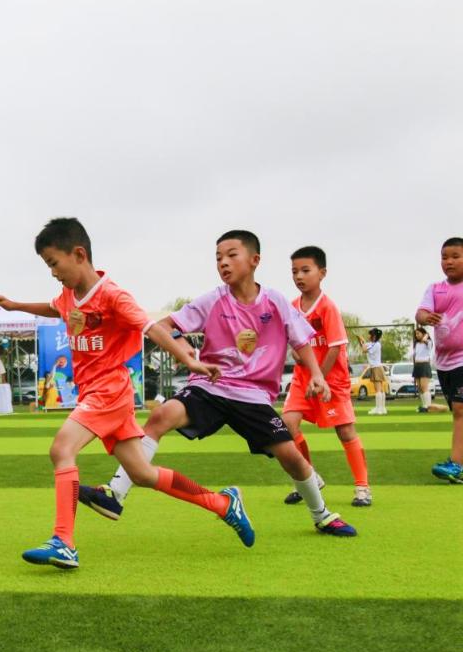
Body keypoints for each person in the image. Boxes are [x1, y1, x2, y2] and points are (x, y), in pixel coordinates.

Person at [0, 218, 255, 570]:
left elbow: (152, 329)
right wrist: (15, 305)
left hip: (108, 391)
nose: (52, 272)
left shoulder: (113, 296)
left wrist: (188, 359)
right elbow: (55, 309)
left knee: (62, 449)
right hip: (99, 393)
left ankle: (63, 542)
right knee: (142, 474)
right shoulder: (69, 295)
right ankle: (223, 503)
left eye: (54, 263)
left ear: (79, 254)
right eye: (47, 266)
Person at [79, 230, 357, 538]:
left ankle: (322, 515)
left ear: (254, 260)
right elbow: (165, 326)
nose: (223, 262)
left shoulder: (275, 301)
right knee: (161, 415)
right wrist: (183, 347)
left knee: (291, 456)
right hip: (210, 386)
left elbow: (301, 341)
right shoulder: (213, 299)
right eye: (218, 258)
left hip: (253, 395)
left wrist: (317, 374)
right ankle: (115, 493)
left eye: (231, 255)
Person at [279, 246, 371, 507]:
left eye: (305, 270)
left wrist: (320, 377)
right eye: (294, 271)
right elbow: (294, 342)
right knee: (287, 425)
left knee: (345, 431)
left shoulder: (328, 307)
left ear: (322, 273)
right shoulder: (292, 307)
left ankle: (362, 488)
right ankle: (308, 479)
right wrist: (296, 354)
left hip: (332, 380)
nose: (299, 276)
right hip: (303, 379)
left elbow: (335, 347)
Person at [418, 237, 463, 483]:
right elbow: (420, 312)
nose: (449, 261)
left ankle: (456, 465)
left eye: (455, 256)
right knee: (458, 412)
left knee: (460, 411)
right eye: (445, 257)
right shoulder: (435, 289)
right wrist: (425, 317)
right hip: (444, 363)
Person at [357, 328, 387, 415]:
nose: (368, 336)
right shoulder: (372, 344)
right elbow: (363, 346)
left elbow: (364, 350)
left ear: (374, 336)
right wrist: (360, 340)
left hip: (376, 367)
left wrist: (362, 341)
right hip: (376, 367)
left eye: (370, 334)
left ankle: (379, 409)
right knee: (380, 389)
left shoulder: (376, 345)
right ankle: (381, 408)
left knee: (378, 389)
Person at [413, 327, 434, 413]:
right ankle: (424, 405)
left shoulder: (428, 342)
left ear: (423, 334)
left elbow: (425, 340)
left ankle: (429, 406)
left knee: (424, 387)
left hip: (424, 365)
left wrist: (426, 335)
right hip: (417, 365)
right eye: (416, 334)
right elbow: (414, 354)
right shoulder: (416, 344)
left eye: (418, 333)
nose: (417, 335)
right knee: (419, 388)